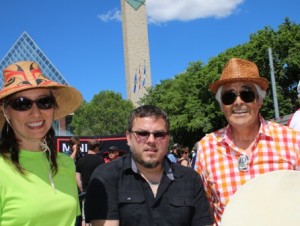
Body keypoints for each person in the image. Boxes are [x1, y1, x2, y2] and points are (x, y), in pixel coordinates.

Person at [194, 57, 300, 226]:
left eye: (247, 94)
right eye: (229, 97)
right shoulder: (207, 147)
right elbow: (203, 211)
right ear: (222, 106)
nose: (238, 102)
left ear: (260, 100)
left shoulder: (293, 141)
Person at [84, 105, 214, 226]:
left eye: (159, 134)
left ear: (168, 139)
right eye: (142, 134)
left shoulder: (190, 179)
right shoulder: (106, 176)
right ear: (128, 138)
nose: (151, 140)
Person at [0, 61, 83, 225]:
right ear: (5, 111)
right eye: (22, 104)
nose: (36, 113)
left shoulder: (66, 163)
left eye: (44, 102)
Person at [76, 139, 105, 226]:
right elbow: (103, 177)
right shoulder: (100, 160)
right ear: (96, 148)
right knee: (97, 217)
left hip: (85, 193)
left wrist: (82, 190)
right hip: (98, 194)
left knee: (85, 219)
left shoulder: (80, 161)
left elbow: (77, 178)